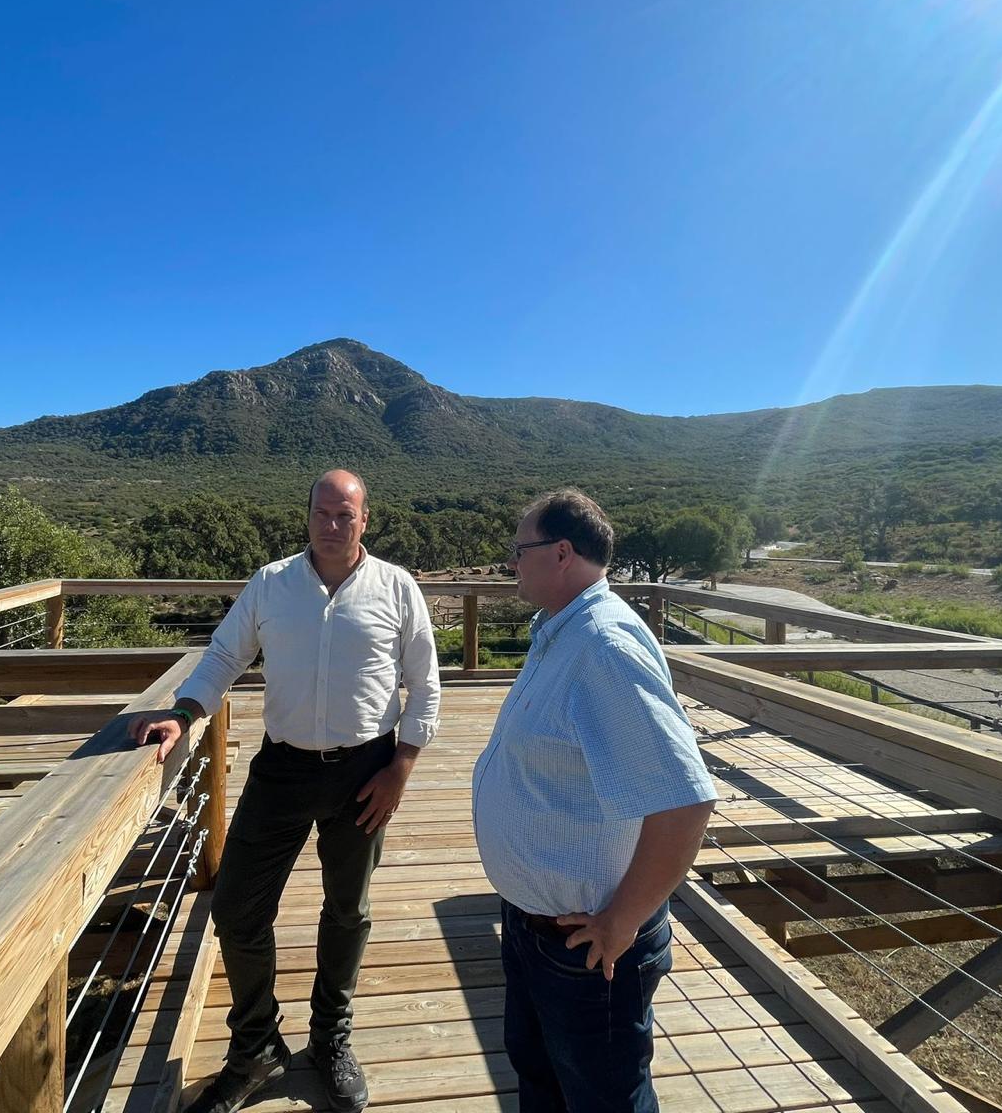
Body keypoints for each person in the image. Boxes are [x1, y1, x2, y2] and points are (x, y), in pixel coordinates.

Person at [129, 469, 440, 1113]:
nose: (332, 524)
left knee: (347, 910)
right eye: (322, 513)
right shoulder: (271, 584)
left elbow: (425, 684)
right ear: (307, 517)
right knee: (238, 908)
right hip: (283, 769)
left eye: (345, 514)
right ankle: (256, 1047)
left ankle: (331, 1037)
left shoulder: (397, 588)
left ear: (365, 519)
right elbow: (221, 657)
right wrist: (183, 715)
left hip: (366, 770)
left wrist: (401, 767)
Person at [472, 488, 717, 1113]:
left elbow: (685, 799)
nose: (511, 563)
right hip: (536, 928)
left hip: (587, 948)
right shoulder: (562, 631)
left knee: (605, 1099)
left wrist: (622, 921)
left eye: (520, 549)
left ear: (560, 554)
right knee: (544, 1084)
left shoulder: (603, 648)